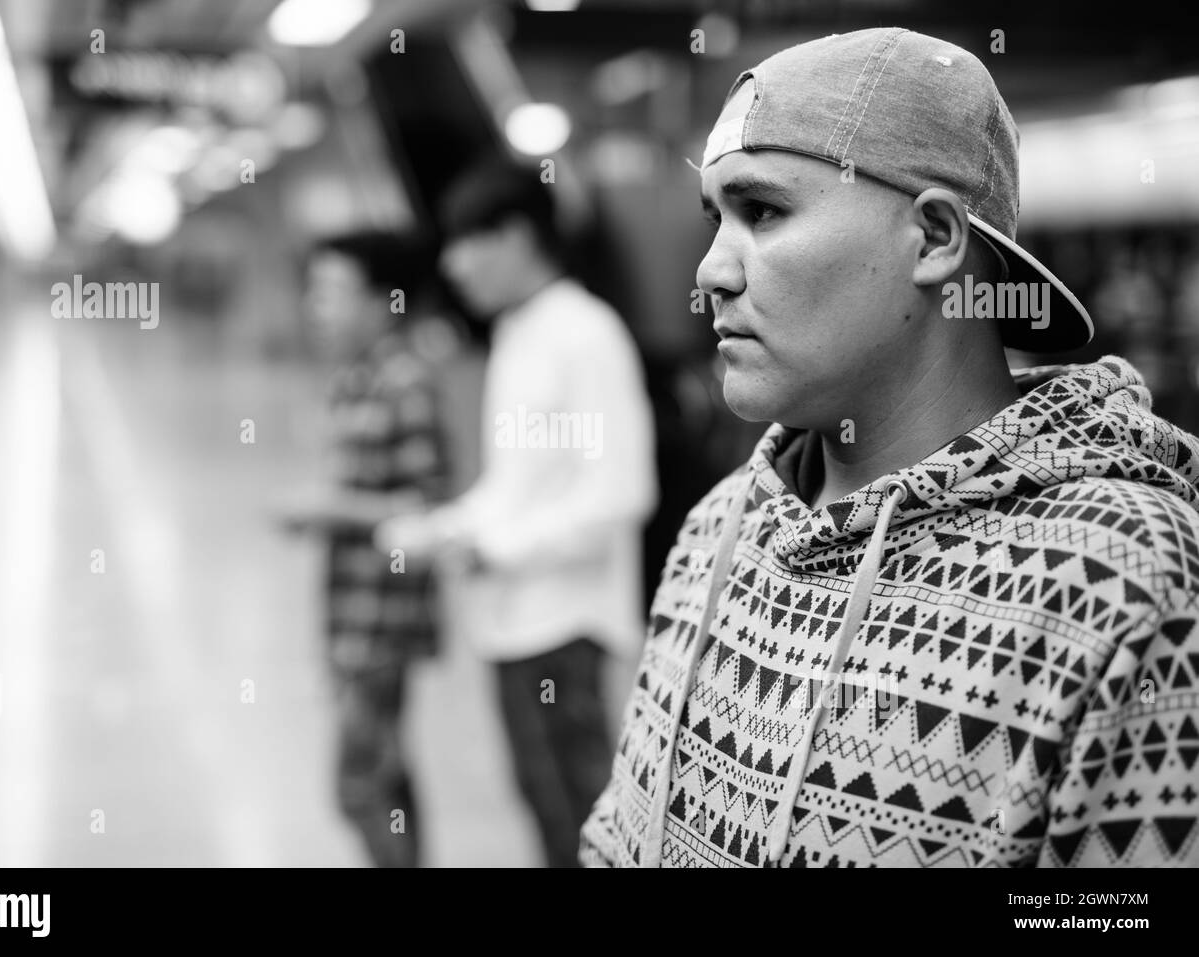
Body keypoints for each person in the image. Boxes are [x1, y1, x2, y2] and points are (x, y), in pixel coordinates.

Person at [581, 27, 1199, 868]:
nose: (710, 272)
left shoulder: (1128, 580)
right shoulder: (718, 531)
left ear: (937, 238)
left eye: (762, 211)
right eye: (714, 217)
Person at [377, 160, 658, 867]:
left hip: (565, 627)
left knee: (582, 823)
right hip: (511, 626)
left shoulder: (585, 334)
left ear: (518, 236)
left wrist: (494, 549)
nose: (453, 265)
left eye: (469, 242)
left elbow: (620, 492)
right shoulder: (517, 333)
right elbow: (516, 485)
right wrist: (448, 527)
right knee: (544, 809)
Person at [277, 231, 449, 867]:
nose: (315, 305)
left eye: (332, 291)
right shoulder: (354, 380)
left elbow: (427, 508)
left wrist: (327, 508)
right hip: (352, 609)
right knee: (386, 769)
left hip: (386, 618)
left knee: (359, 783)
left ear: (384, 301)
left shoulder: (405, 382)